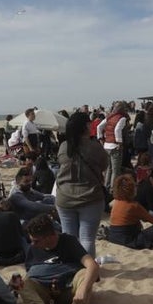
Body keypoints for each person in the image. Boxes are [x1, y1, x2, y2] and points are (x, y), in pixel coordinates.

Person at [19, 214, 99, 304]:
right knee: (23, 283)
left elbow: (92, 265)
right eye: (31, 240)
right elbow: (30, 276)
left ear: (50, 236)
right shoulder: (33, 249)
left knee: (84, 274)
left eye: (36, 240)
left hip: (71, 291)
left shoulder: (68, 241)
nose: (33, 244)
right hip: (47, 294)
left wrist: (83, 288)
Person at [54, 111, 108, 258]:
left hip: (64, 197)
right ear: (85, 126)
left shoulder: (64, 146)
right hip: (90, 196)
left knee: (69, 237)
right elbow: (105, 164)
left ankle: (72, 268)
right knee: (87, 238)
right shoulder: (94, 146)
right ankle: (88, 271)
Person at [107, 173, 153, 249]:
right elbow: (151, 219)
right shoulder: (134, 205)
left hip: (113, 236)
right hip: (129, 238)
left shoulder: (116, 202)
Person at [98, 101, 129, 192]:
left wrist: (100, 138)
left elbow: (99, 127)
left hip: (106, 145)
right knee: (116, 170)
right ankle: (113, 189)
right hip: (115, 146)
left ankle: (106, 186)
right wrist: (119, 142)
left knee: (108, 169)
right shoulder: (121, 118)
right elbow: (117, 130)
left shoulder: (109, 117)